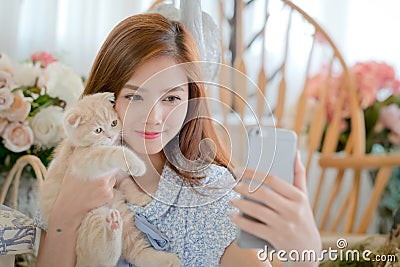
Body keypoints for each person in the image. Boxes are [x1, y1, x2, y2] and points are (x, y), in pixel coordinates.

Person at [36, 13, 321, 267]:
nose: (154, 117)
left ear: (191, 101)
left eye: (171, 98)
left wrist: (306, 257)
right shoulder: (69, 172)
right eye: (135, 96)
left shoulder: (210, 195)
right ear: (106, 96)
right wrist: (66, 214)